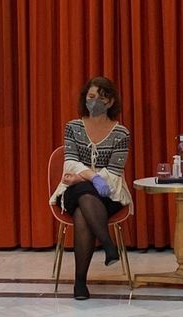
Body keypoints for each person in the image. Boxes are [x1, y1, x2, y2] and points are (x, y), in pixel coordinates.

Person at [49, 76, 133, 301]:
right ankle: (107, 244)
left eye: (101, 98)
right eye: (91, 97)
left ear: (110, 101)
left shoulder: (121, 133)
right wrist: (90, 177)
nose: (95, 102)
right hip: (73, 189)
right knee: (83, 194)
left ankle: (80, 282)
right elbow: (70, 163)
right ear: (85, 99)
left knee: (82, 210)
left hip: (109, 193)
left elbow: (114, 172)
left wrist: (84, 179)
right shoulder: (73, 127)